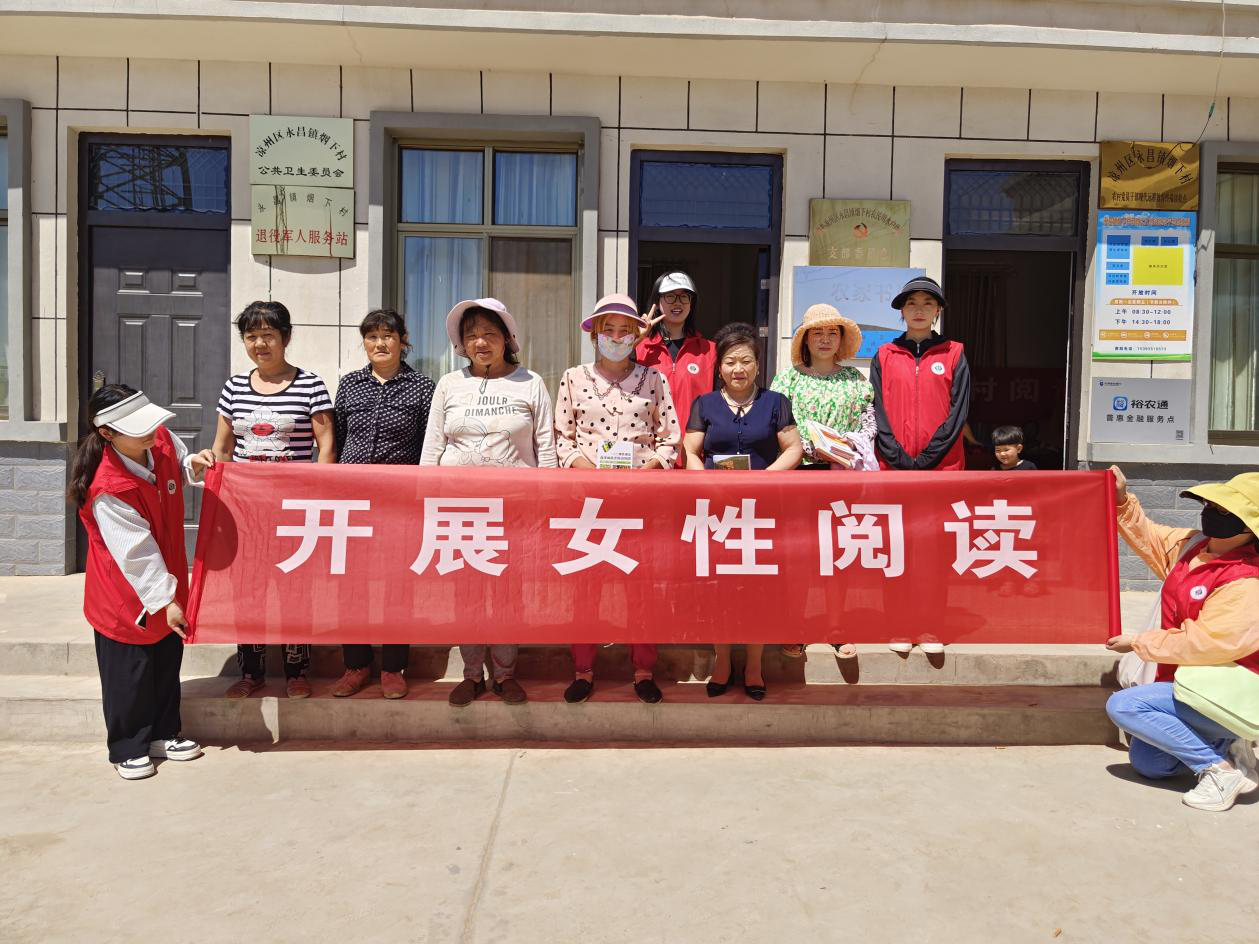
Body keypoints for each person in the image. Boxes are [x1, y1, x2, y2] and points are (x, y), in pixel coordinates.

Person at [68, 384, 216, 780]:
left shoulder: (159, 439)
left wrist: (194, 463)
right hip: (125, 593)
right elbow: (136, 554)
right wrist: (165, 600)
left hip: (167, 578)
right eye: (138, 428)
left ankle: (164, 733)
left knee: (166, 661)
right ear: (107, 433)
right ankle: (128, 746)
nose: (151, 431)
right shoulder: (108, 487)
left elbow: (179, 463)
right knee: (129, 672)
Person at [421, 298, 557, 707]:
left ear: (507, 339)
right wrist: (424, 504)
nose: (480, 342)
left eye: (489, 334)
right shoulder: (449, 384)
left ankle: (505, 675)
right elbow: (432, 448)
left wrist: (548, 506)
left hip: (514, 512)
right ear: (461, 343)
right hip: (459, 511)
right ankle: (471, 675)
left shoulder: (530, 383)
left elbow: (547, 448)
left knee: (508, 594)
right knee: (466, 595)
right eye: (471, 335)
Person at [1104, 467, 1259, 812]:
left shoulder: (1247, 580)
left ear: (1249, 526)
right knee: (1150, 763)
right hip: (1186, 681)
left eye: (1224, 511)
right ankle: (1226, 744)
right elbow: (1150, 537)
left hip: (1224, 691)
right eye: (1210, 505)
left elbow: (1206, 643)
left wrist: (1139, 643)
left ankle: (1219, 770)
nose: (1210, 512)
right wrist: (1121, 499)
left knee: (1124, 706)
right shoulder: (1193, 545)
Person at [554, 292, 681, 704]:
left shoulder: (654, 379)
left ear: (635, 336)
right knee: (585, 587)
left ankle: (643, 668)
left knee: (641, 588)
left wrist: (646, 474)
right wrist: (592, 477)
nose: (615, 337)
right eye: (607, 329)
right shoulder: (573, 378)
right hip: (588, 504)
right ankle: (583, 669)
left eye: (625, 330)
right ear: (594, 335)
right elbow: (562, 439)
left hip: (641, 503)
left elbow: (670, 438)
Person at [213, 300, 335, 700]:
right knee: (248, 590)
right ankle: (251, 672)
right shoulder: (233, 387)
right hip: (245, 511)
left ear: (286, 337)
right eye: (251, 336)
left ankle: (297, 671)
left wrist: (316, 499)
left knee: (294, 588)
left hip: (294, 510)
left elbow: (326, 447)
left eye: (268, 335)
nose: (260, 344)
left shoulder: (310, 385)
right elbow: (222, 448)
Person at [684, 322, 802, 701]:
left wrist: (764, 480)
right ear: (719, 366)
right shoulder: (705, 404)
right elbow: (690, 451)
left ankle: (753, 664)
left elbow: (794, 448)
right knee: (719, 588)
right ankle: (722, 660)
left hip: (761, 511)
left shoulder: (776, 402)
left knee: (758, 589)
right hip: (717, 512)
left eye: (746, 361)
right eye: (731, 361)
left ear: (757, 365)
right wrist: (707, 484)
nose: (739, 369)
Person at [329, 308, 435, 700]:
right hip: (352, 501)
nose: (380, 343)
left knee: (396, 585)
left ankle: (393, 667)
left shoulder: (422, 387)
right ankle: (356, 664)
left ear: (402, 341)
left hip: (399, 504)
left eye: (388, 336)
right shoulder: (349, 385)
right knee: (350, 584)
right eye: (372, 336)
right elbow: (338, 438)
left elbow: (428, 446)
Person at [871, 276, 971, 655]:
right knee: (896, 549)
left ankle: (930, 627)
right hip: (893, 467)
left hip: (941, 470)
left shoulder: (954, 353)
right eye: (911, 303)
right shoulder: (885, 355)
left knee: (934, 551)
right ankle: (897, 624)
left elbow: (958, 413)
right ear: (901, 310)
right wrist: (896, 455)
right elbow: (877, 410)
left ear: (938, 310)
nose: (918, 310)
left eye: (927, 303)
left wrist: (928, 459)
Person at [770, 303, 874, 660]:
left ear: (841, 339)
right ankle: (795, 626)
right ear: (805, 340)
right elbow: (777, 426)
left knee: (837, 553)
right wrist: (806, 445)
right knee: (798, 556)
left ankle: (836, 626)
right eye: (818, 333)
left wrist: (850, 444)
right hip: (799, 475)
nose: (825, 339)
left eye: (832, 333)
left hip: (841, 476)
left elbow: (869, 424)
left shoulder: (856, 380)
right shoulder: (787, 379)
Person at [635, 271, 716, 466]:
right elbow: (610, 369)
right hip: (650, 456)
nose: (677, 303)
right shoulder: (639, 349)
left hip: (694, 454)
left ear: (692, 303)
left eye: (684, 296)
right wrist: (636, 338)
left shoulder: (709, 350)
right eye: (670, 296)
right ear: (657, 301)